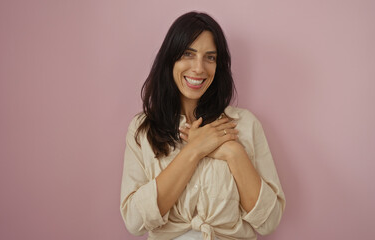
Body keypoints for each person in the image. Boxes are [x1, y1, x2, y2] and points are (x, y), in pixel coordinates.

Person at [120, 11, 286, 240]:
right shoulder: (143, 129)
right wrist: (195, 150)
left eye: (210, 57)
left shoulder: (244, 125)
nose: (199, 68)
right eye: (188, 54)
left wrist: (233, 152)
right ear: (170, 59)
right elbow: (134, 222)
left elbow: (269, 221)